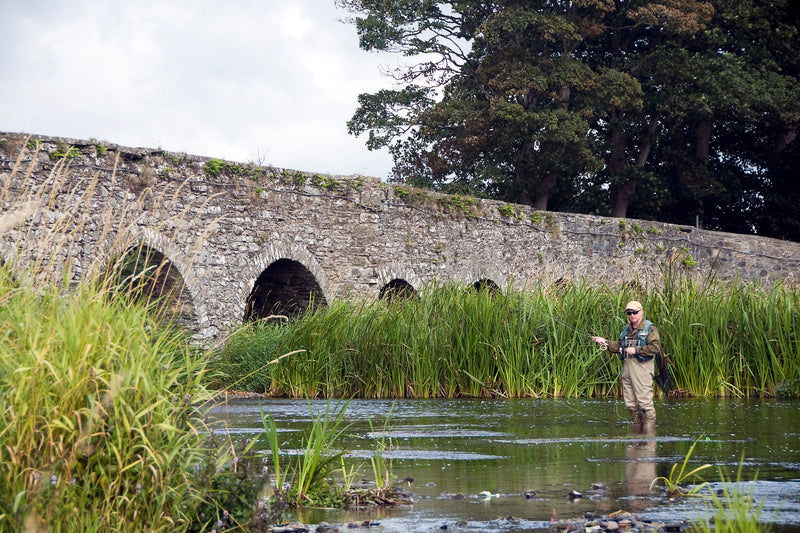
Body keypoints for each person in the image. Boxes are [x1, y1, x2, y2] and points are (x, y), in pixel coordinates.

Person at [592, 301, 661, 434]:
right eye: (629, 313)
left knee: (645, 404)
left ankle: (650, 436)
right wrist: (605, 342)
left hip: (642, 369)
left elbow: (655, 348)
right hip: (627, 371)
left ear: (641, 312)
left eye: (634, 312)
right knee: (631, 405)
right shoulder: (626, 329)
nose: (632, 315)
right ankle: (636, 435)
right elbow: (618, 347)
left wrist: (636, 350)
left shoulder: (649, 328)